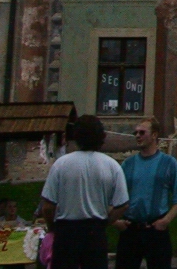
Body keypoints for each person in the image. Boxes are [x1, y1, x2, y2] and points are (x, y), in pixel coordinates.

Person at [40, 114, 130, 269]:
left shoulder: (61, 164)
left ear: (76, 136)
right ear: (101, 137)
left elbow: (48, 206)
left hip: (66, 232)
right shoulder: (112, 165)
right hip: (95, 233)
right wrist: (105, 222)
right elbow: (123, 205)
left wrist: (52, 228)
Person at [113, 117, 177, 269]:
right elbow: (113, 196)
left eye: (142, 132)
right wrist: (116, 222)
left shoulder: (168, 163)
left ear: (154, 135)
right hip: (131, 229)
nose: (137, 136)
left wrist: (166, 220)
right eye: (136, 133)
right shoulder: (128, 164)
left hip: (156, 229)